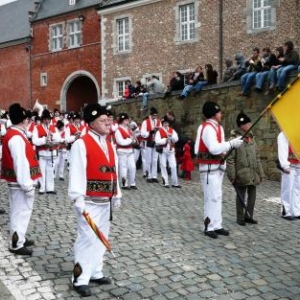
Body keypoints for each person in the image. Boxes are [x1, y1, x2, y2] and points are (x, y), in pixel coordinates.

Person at [68, 103, 122, 297]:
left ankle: (95, 271)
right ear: (91, 122)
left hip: (105, 201)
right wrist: (78, 199)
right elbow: (77, 172)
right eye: (102, 120)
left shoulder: (108, 144)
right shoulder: (81, 144)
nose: (107, 122)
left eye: (108, 119)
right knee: (87, 239)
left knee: (101, 238)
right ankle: (79, 277)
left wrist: (117, 193)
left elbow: (113, 170)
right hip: (89, 201)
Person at [194, 101, 244, 239]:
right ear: (213, 114)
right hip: (209, 167)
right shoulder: (207, 128)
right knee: (211, 197)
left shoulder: (218, 128)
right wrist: (231, 144)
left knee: (217, 196)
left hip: (217, 166)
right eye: (219, 112)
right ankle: (208, 226)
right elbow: (214, 148)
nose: (221, 114)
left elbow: (221, 147)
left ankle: (217, 224)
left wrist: (226, 155)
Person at [1, 103, 41, 255]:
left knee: (19, 211)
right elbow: (21, 163)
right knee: (21, 212)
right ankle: (16, 243)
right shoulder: (16, 137)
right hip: (20, 183)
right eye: (27, 119)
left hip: (16, 182)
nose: (29, 121)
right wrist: (27, 186)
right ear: (23, 120)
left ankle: (19, 237)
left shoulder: (14, 134)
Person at [226, 112, 265, 226]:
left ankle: (249, 215)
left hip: (253, 172)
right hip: (241, 173)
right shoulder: (234, 139)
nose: (249, 125)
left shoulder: (252, 138)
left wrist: (261, 173)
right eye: (247, 123)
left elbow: (257, 157)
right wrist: (232, 176)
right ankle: (240, 217)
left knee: (252, 194)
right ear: (241, 125)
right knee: (241, 195)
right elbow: (230, 160)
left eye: (249, 123)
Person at [32, 109, 62, 194]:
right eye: (45, 119)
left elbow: (58, 139)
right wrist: (45, 139)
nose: (47, 121)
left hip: (51, 152)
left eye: (48, 119)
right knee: (41, 170)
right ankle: (42, 188)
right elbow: (34, 141)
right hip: (42, 153)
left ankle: (50, 188)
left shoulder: (54, 128)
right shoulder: (36, 128)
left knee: (50, 170)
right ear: (42, 120)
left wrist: (53, 136)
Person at [277, 131, 300, 220]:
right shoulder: (283, 134)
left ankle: (296, 210)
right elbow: (282, 149)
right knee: (287, 188)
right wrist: (284, 165)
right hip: (289, 164)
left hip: (298, 163)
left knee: (297, 189)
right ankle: (286, 211)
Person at [155, 116, 180, 188]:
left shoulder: (172, 130)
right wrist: (165, 140)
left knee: (173, 166)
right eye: (165, 123)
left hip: (171, 150)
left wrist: (171, 136)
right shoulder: (159, 131)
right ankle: (165, 182)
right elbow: (157, 141)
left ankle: (175, 183)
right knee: (163, 165)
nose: (166, 124)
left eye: (167, 123)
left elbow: (176, 139)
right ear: (163, 124)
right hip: (163, 150)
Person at [115, 113, 137, 190]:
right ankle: (124, 184)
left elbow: (133, 139)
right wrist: (130, 140)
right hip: (122, 151)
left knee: (133, 167)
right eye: (125, 120)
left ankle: (132, 183)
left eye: (127, 120)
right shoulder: (118, 130)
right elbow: (120, 142)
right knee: (123, 167)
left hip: (130, 150)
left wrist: (133, 140)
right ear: (122, 121)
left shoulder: (128, 129)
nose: (127, 121)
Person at [141, 107, 161, 183]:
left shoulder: (158, 122)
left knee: (155, 159)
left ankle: (154, 176)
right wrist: (151, 132)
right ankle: (149, 175)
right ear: (151, 115)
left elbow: (162, 131)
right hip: (148, 142)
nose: (155, 117)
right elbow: (143, 133)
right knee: (148, 159)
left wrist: (158, 130)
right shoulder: (145, 122)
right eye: (154, 115)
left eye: (156, 115)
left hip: (155, 142)